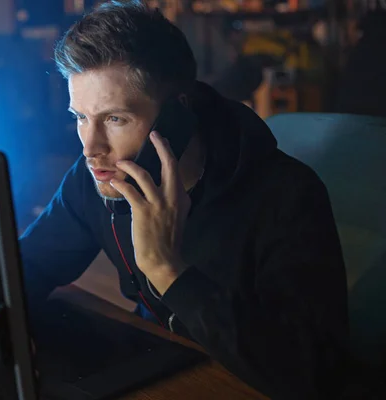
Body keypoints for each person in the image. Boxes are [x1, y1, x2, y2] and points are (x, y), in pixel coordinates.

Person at [20, 1, 350, 398]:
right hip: (163, 367)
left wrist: (167, 270)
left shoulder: (286, 195)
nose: (91, 147)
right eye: (80, 117)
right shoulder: (99, 174)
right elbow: (29, 267)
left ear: (178, 114)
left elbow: (311, 374)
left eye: (115, 119)